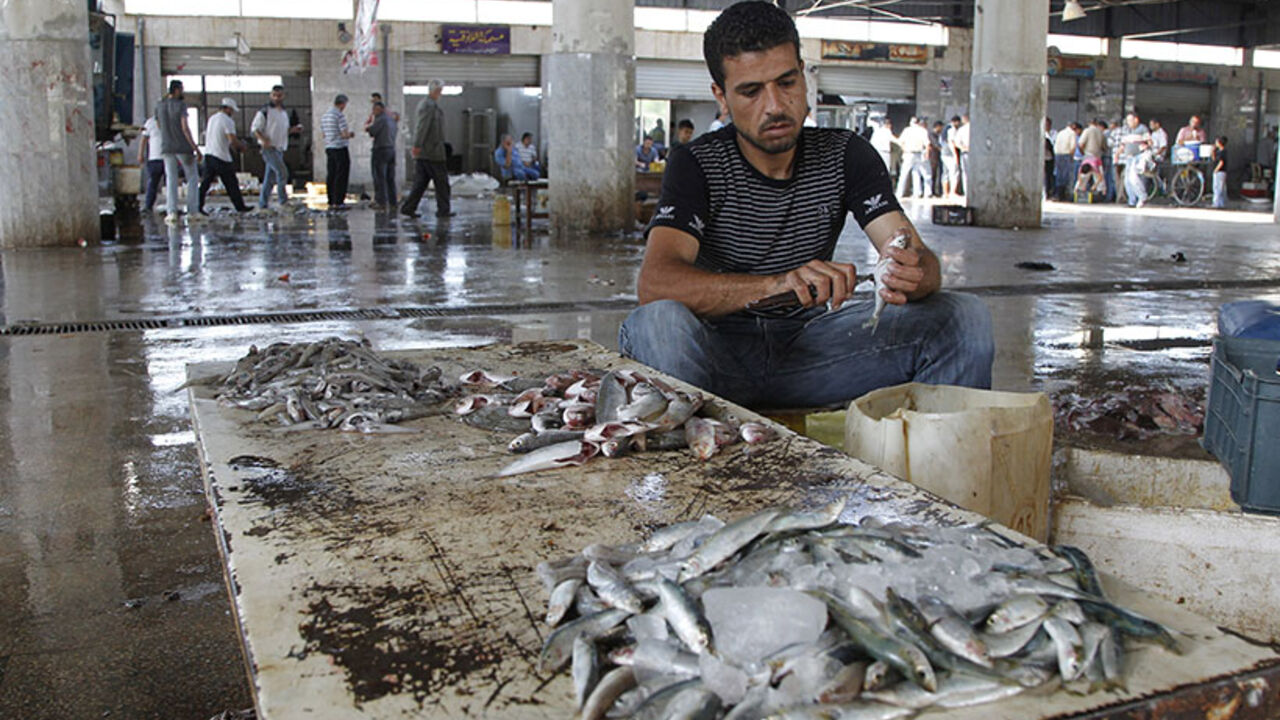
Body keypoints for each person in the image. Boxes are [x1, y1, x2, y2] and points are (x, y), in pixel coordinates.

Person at [618, 1, 993, 410]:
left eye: (787, 82)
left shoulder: (845, 154)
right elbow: (655, 283)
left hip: (813, 353)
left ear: (803, 75)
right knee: (658, 323)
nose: (776, 106)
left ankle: (937, 468)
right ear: (721, 97)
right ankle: (691, 466)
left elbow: (912, 251)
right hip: (713, 359)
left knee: (963, 317)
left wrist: (912, 272)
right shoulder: (696, 163)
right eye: (751, 91)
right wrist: (777, 284)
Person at [401, 78, 452, 219]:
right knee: (442, 183)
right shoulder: (428, 106)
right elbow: (422, 127)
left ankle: (408, 208)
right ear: (435, 91)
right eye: (439, 91)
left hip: (429, 151)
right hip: (431, 152)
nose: (440, 93)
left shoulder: (431, 105)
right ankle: (443, 210)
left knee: (420, 183)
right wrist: (417, 145)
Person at [155, 79, 203, 226]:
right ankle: (192, 211)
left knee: (171, 179)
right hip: (183, 147)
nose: (183, 92)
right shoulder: (180, 105)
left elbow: (158, 125)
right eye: (181, 89)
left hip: (166, 147)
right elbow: (185, 128)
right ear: (176, 90)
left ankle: (172, 212)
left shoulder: (159, 105)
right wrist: (195, 148)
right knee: (192, 178)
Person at [251, 85, 302, 209]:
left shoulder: (283, 113)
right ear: (271, 95)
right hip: (269, 149)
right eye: (274, 95)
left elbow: (283, 131)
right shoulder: (265, 111)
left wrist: (293, 130)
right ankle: (283, 201)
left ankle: (263, 204)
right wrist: (263, 140)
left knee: (269, 179)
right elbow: (255, 128)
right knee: (282, 172)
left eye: (279, 95)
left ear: (283, 96)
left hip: (279, 148)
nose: (277, 98)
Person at [197, 97, 250, 214]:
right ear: (228, 109)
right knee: (232, 184)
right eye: (232, 111)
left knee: (205, 184)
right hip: (222, 157)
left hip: (209, 155)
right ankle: (240, 207)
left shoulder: (212, 118)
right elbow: (232, 139)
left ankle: (197, 207)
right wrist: (241, 146)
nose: (232, 113)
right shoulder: (227, 120)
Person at [320, 94, 355, 209]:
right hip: (340, 148)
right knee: (341, 175)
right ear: (342, 104)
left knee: (331, 174)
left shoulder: (325, 116)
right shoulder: (339, 116)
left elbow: (324, 134)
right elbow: (344, 134)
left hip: (329, 148)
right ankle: (339, 201)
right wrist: (350, 134)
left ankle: (331, 200)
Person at [365, 101, 398, 210]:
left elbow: (373, 132)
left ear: (379, 109)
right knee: (390, 177)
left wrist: (368, 127)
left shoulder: (380, 119)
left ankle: (381, 202)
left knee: (380, 177)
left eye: (374, 110)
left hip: (381, 150)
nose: (373, 112)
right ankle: (393, 202)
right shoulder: (392, 120)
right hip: (391, 150)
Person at [136, 112, 166, 215]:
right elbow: (143, 139)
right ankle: (149, 206)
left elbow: (143, 140)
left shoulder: (167, 120)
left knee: (161, 184)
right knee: (154, 183)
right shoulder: (150, 122)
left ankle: (170, 207)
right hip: (156, 157)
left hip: (165, 157)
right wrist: (140, 154)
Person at [896, 117, 931, 199]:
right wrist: (927, 153)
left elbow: (900, 141)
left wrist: (904, 149)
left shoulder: (907, 130)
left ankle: (899, 193)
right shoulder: (922, 130)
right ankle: (920, 193)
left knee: (904, 174)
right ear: (918, 122)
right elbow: (927, 144)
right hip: (919, 153)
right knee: (921, 173)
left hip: (908, 153)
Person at [1052, 121, 1080, 201]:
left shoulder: (1061, 132)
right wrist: (1071, 157)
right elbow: (1073, 147)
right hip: (1066, 155)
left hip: (1057, 154)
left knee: (1058, 174)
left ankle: (1057, 194)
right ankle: (1063, 195)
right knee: (1065, 175)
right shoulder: (1072, 134)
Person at [1124, 140, 1155, 208]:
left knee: (1134, 180)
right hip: (1135, 163)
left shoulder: (1146, 153)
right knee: (1130, 181)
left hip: (1142, 167)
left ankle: (1142, 198)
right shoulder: (1137, 156)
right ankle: (1134, 200)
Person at [940, 115, 961, 198]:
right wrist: (955, 155)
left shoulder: (944, 129)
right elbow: (951, 142)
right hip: (950, 154)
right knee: (954, 173)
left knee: (945, 173)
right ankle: (952, 192)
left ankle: (945, 193)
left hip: (944, 153)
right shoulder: (951, 129)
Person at [954, 114, 971, 196]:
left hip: (965, 152)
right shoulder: (976, 128)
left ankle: (967, 192)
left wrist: (963, 147)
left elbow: (956, 143)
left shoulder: (961, 129)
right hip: (975, 153)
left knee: (965, 173)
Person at [1212, 136, 1228, 209]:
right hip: (1220, 171)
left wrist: (1216, 169)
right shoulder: (1219, 151)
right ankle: (1221, 203)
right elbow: (1215, 159)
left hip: (1220, 171)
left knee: (1218, 187)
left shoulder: (1223, 152)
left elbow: (1221, 162)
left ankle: (1217, 203)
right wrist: (1213, 152)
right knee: (1219, 187)